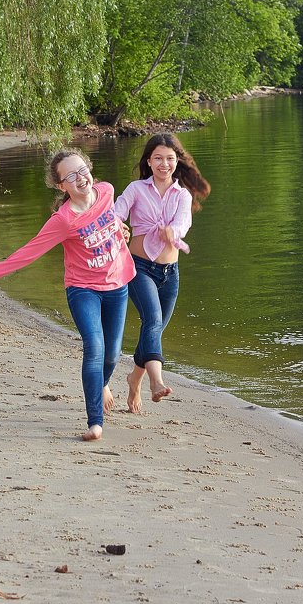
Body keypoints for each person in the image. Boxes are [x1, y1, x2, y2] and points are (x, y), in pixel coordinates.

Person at [0, 148, 134, 441]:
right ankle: (95, 422)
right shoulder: (63, 220)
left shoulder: (107, 191)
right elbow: (30, 251)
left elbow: (112, 224)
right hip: (83, 289)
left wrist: (122, 232)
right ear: (61, 186)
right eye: (70, 176)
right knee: (95, 348)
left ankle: (102, 382)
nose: (80, 178)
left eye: (82, 170)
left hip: (118, 283)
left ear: (90, 169)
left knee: (113, 353)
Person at [113, 133, 210, 414]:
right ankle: (157, 381)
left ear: (177, 161)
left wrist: (173, 232)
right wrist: (118, 226)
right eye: (158, 158)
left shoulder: (183, 195)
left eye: (169, 158)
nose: (164, 164)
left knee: (153, 329)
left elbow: (183, 223)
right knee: (153, 320)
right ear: (148, 160)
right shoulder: (135, 189)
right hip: (139, 268)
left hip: (171, 273)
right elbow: (116, 214)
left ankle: (135, 379)